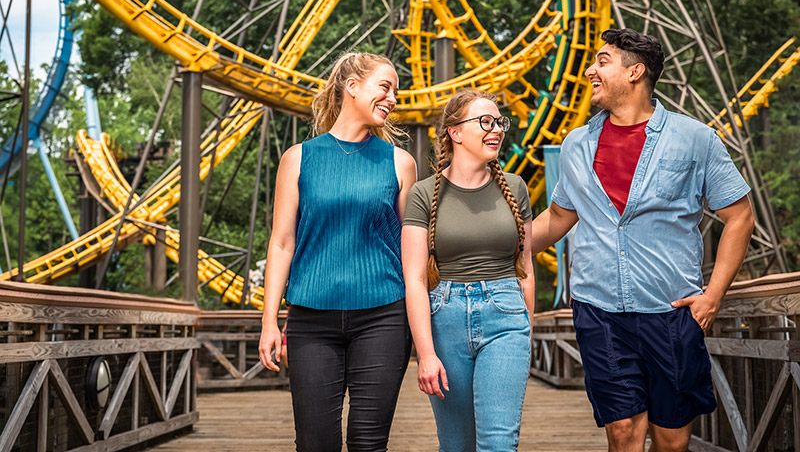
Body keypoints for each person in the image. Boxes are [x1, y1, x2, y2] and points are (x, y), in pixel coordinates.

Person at [530, 28, 755, 451]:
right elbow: (559, 216)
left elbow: (739, 217)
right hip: (598, 310)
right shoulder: (576, 144)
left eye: (601, 61)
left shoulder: (696, 139)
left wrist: (714, 296)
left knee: (671, 439)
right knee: (624, 431)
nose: (589, 70)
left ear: (635, 71)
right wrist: (493, 245)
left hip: (670, 310)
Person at [258, 52, 418, 452]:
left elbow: (413, 253)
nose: (394, 98)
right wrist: (269, 322)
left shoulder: (401, 163)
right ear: (351, 87)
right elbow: (281, 243)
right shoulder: (298, 158)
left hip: (384, 316)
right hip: (311, 320)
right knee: (314, 444)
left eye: (396, 90)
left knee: (368, 443)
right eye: (385, 87)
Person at [402, 89, 535, 451]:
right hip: (445, 318)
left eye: (499, 123)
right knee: (456, 444)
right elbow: (414, 280)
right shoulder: (423, 194)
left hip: (506, 317)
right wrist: (425, 354)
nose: (496, 130)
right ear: (455, 132)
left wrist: (528, 332)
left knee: (498, 443)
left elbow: (526, 269)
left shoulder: (516, 188)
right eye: (485, 122)